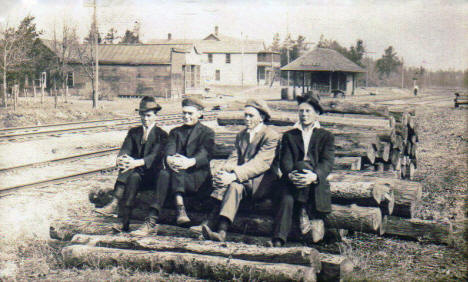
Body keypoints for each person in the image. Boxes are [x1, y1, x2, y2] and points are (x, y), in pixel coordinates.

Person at [200, 99, 280, 242]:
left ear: (261, 117)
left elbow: (260, 164)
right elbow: (234, 157)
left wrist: (233, 175)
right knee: (231, 184)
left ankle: (212, 224)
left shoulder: (271, 136)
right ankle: (220, 232)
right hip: (241, 180)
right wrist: (223, 171)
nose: (247, 119)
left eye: (251, 115)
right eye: (245, 115)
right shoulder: (241, 135)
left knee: (234, 184)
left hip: (261, 182)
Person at [269, 93, 335, 247]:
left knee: (299, 176)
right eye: (301, 111)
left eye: (308, 111)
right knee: (287, 197)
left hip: (314, 181)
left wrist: (314, 176)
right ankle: (279, 239)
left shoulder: (326, 136)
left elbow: (327, 162)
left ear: (317, 113)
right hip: (294, 179)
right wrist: (290, 174)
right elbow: (285, 160)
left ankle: (299, 213)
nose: (304, 115)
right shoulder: (289, 135)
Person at [95, 96, 168, 234]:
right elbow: (125, 149)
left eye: (149, 116)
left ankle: (116, 201)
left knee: (131, 167)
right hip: (135, 174)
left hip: (152, 175)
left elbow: (155, 156)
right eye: (143, 115)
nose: (145, 119)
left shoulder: (161, 134)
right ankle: (123, 220)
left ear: (155, 116)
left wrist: (135, 162)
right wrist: (120, 159)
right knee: (128, 168)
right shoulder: (133, 132)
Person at [149, 97, 215, 229]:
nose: (186, 116)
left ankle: (162, 214)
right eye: (184, 113)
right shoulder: (175, 132)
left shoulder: (207, 132)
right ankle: (159, 215)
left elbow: (205, 153)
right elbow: (169, 149)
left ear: (199, 113)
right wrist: (169, 158)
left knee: (174, 169)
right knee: (165, 172)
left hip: (197, 178)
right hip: (178, 176)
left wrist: (189, 162)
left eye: (190, 113)